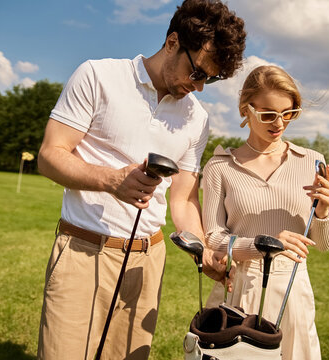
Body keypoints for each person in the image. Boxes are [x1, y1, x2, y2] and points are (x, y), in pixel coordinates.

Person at [36, 1, 246, 359]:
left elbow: (181, 199)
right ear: (171, 42)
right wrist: (110, 180)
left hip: (148, 260)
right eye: (197, 73)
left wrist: (203, 251)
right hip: (83, 251)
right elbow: (50, 155)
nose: (198, 87)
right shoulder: (98, 76)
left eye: (209, 79)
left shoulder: (197, 119)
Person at [202, 65, 329, 360]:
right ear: (245, 109)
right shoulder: (220, 167)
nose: (279, 123)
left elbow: (325, 244)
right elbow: (214, 238)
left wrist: (324, 211)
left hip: (293, 289)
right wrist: (262, 245)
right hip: (240, 287)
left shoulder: (312, 161)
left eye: (289, 113)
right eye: (268, 114)